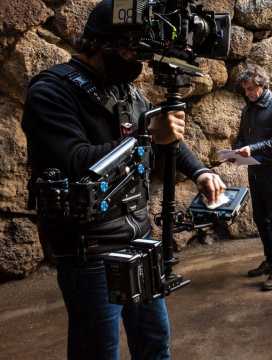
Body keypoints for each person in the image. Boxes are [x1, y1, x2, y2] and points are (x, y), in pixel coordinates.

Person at [21, 1, 226, 358]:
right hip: (90, 248)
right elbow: (75, 161)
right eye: (129, 50)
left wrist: (201, 171)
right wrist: (145, 136)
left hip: (138, 237)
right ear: (98, 44)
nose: (136, 60)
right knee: (98, 350)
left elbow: (167, 140)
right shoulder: (51, 91)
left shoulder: (125, 90)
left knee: (155, 342)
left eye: (139, 52)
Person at [234, 64, 272, 291]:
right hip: (254, 168)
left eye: (250, 89)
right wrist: (236, 151)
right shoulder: (248, 109)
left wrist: (253, 148)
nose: (248, 94)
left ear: (262, 85)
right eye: (245, 90)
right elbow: (241, 138)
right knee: (261, 218)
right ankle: (269, 260)